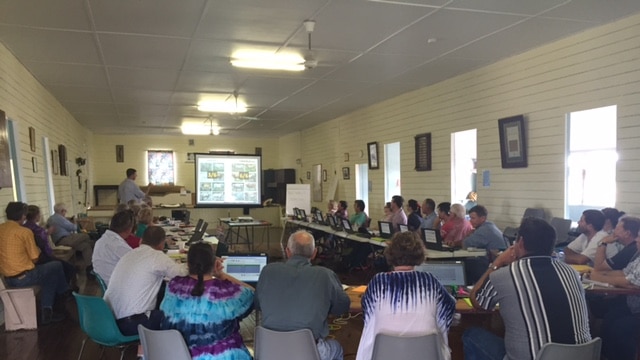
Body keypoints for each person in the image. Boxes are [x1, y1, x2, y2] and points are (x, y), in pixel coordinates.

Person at [463, 217, 591, 360]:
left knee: (471, 335)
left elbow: (477, 301)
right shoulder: (571, 272)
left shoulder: (505, 275)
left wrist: (497, 263)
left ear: (521, 242)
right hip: (580, 356)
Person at [355, 232, 456, 360]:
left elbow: (367, 317)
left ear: (391, 253)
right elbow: (450, 308)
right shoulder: (430, 281)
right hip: (426, 354)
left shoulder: (378, 282)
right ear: (419, 254)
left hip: (384, 354)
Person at [255, 231, 350, 360]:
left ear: (288, 251)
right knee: (337, 348)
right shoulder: (325, 275)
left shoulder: (267, 271)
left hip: (268, 350)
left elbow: (258, 304)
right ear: (314, 253)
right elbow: (342, 307)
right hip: (308, 352)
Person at [161, 243, 254, 359]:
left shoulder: (173, 286)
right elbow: (254, 294)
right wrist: (221, 275)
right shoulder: (226, 292)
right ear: (213, 264)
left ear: (188, 264)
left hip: (175, 354)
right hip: (222, 355)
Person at [104, 226, 187, 336]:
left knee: (161, 291)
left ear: (141, 240)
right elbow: (181, 273)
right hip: (131, 323)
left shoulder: (129, 254)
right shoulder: (156, 256)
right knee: (180, 316)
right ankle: (156, 349)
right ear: (162, 244)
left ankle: (144, 348)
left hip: (109, 319)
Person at [0, 202, 69, 324]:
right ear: (23, 216)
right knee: (56, 265)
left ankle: (50, 309)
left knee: (51, 275)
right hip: (24, 277)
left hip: (6, 278)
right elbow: (35, 258)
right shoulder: (24, 232)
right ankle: (64, 292)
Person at [589, 233, 640, 360]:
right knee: (610, 317)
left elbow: (632, 283)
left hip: (636, 308)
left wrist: (599, 277)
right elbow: (624, 273)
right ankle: (605, 356)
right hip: (633, 305)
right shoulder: (638, 257)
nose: (637, 240)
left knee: (620, 328)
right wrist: (603, 275)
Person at [23, 205, 76, 287]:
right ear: (36, 216)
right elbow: (43, 245)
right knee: (69, 268)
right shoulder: (37, 230)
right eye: (39, 214)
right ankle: (65, 289)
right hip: (40, 258)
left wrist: (47, 232)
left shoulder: (24, 227)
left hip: (28, 259)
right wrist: (52, 254)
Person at [46, 202, 94, 273]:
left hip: (62, 240)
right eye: (65, 211)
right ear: (62, 211)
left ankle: (89, 267)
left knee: (85, 246)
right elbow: (73, 227)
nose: (65, 213)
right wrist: (74, 222)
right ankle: (91, 267)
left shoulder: (51, 218)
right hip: (64, 240)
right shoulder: (59, 218)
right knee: (86, 236)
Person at [92, 210, 135, 286]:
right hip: (118, 288)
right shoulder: (118, 245)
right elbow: (138, 263)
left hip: (106, 284)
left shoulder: (101, 241)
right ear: (129, 229)